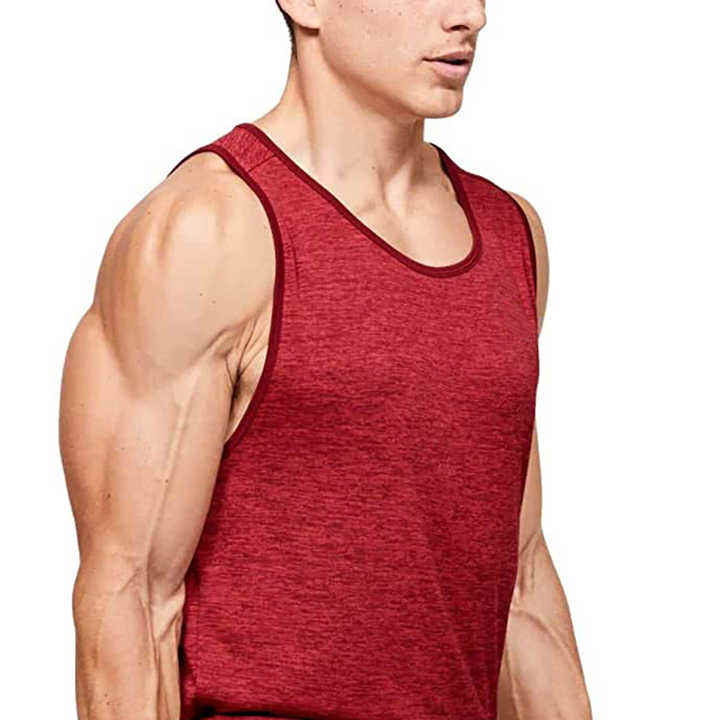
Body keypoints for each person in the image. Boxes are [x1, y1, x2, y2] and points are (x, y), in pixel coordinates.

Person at [59, 1, 592, 719]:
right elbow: (129, 597)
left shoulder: (510, 236)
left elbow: (519, 575)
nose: (471, 16)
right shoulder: (208, 229)